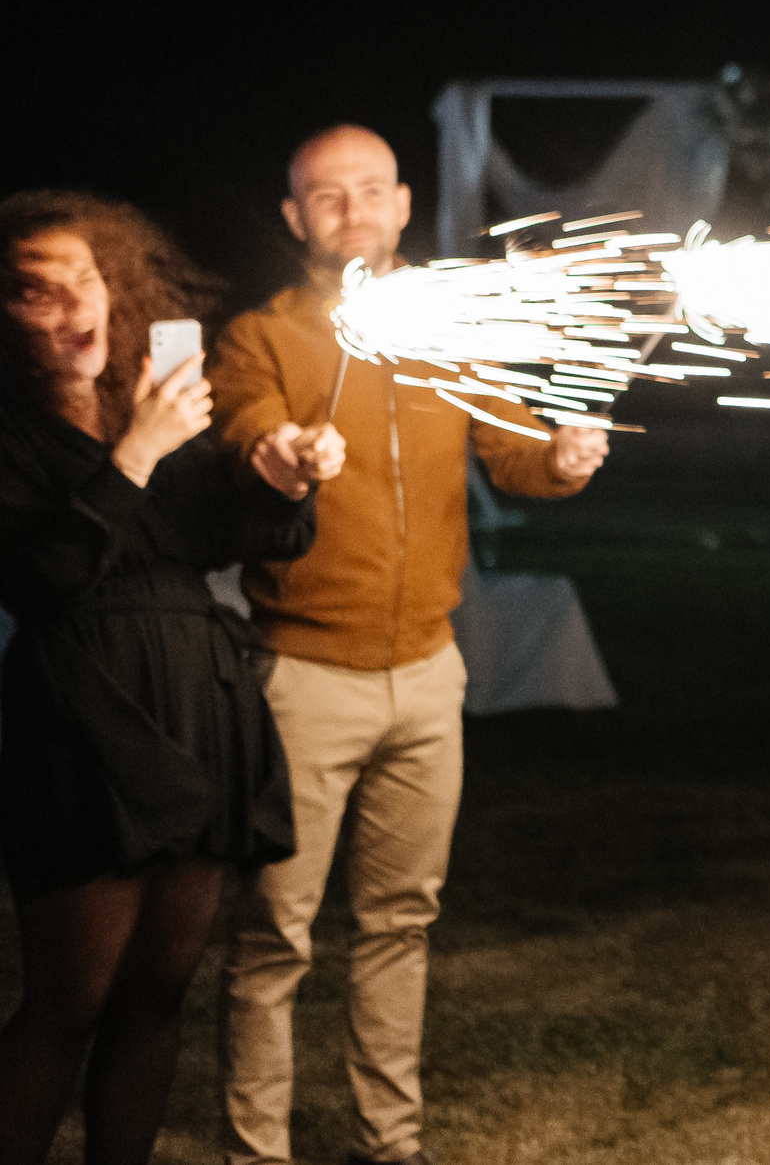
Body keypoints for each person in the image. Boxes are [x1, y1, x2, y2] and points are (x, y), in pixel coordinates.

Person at [210, 125, 608, 1165]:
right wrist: (286, 452)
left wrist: (560, 457)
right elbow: (248, 429)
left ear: (402, 204)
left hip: (429, 673)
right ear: (296, 217)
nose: (350, 210)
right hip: (301, 675)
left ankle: (393, 1142)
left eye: (370, 190)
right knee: (272, 940)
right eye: (325, 195)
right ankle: (257, 1150)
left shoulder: (445, 326)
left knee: (400, 924)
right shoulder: (265, 335)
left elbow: (510, 448)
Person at [0, 192, 341, 1165]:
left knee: (157, 994)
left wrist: (280, 478)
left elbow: (222, 538)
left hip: (197, 703)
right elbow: (43, 575)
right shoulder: (16, 429)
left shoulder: (146, 394)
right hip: (83, 713)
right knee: (69, 1000)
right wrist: (138, 448)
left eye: (87, 280)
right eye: (38, 291)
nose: (74, 308)